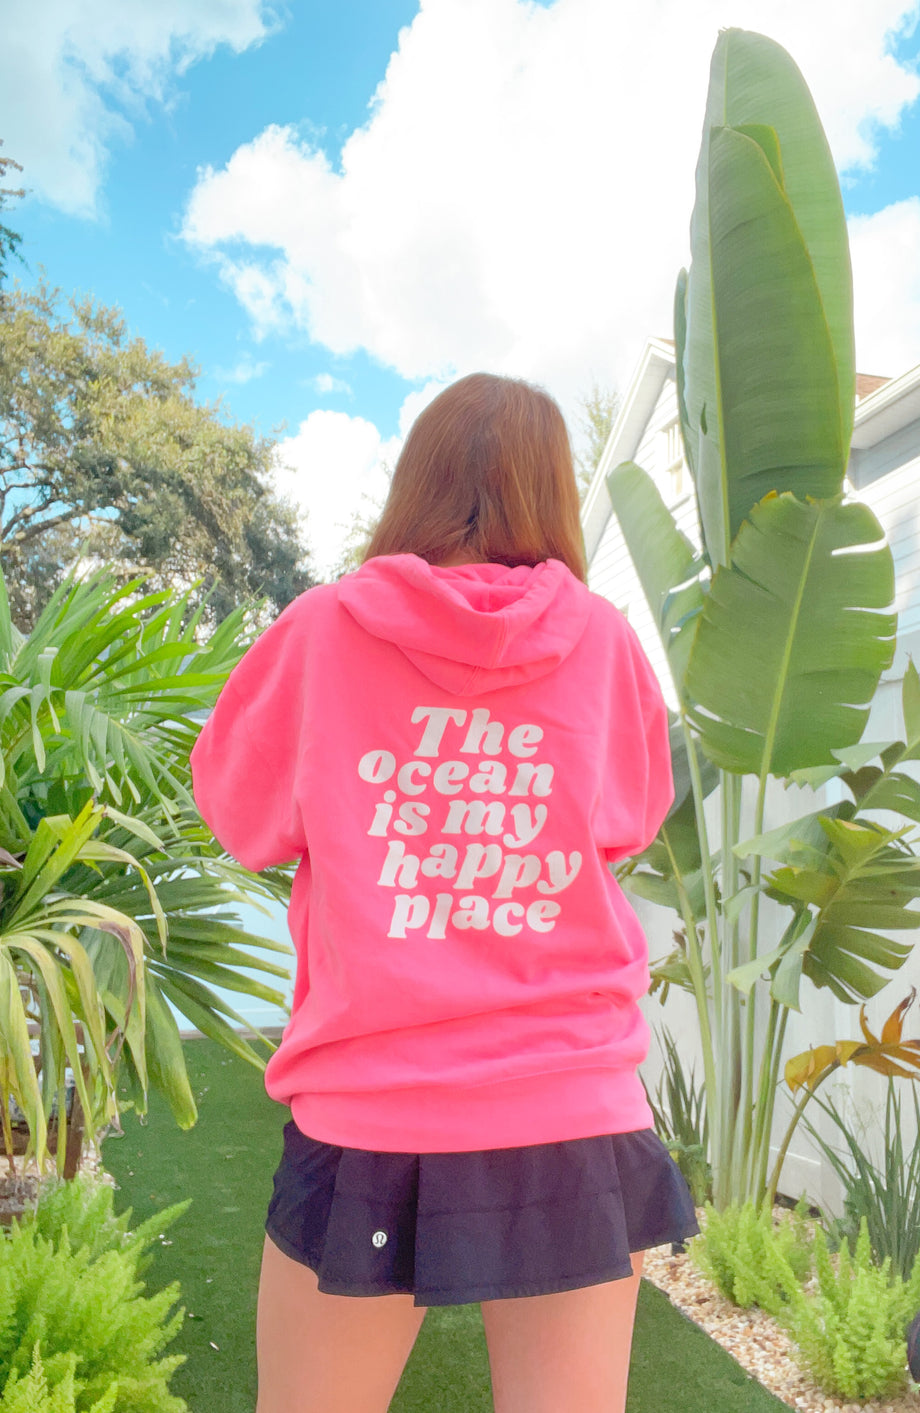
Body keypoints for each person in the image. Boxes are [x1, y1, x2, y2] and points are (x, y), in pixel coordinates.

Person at [190, 372, 700, 1413]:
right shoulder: (601, 643)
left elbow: (242, 819)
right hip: (572, 1103)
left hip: (376, 1107)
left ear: (415, 480)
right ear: (552, 491)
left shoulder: (324, 629)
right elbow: (629, 820)